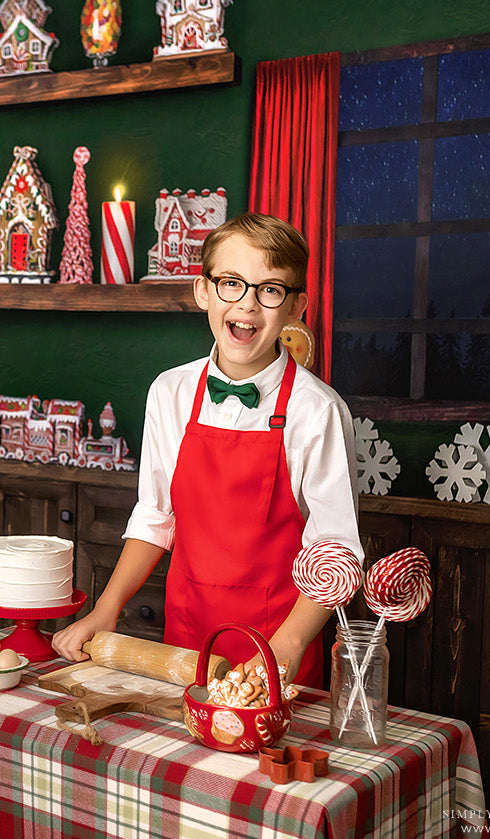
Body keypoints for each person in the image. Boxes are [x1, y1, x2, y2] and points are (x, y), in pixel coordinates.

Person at [51, 213, 362, 686]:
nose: (248, 305)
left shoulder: (317, 411)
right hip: (184, 645)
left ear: (296, 306)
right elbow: (156, 517)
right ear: (203, 291)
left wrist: (291, 644)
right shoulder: (169, 392)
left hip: (278, 652)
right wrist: (106, 608)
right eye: (231, 283)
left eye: (270, 289)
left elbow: (336, 551)